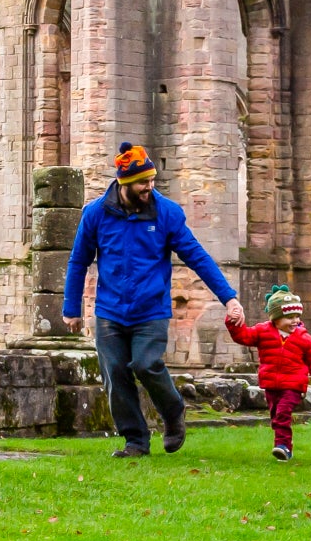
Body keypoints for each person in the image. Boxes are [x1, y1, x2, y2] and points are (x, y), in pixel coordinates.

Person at [62, 143, 238, 458]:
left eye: (152, 180)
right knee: (114, 372)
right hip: (110, 310)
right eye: (144, 182)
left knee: (146, 363)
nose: (150, 187)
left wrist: (229, 298)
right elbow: (78, 261)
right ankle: (135, 441)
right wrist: (71, 308)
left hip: (151, 309)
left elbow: (197, 257)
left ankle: (173, 412)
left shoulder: (167, 213)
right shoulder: (96, 214)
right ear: (124, 183)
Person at [224, 286, 311, 462]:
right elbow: (243, 336)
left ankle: (283, 447)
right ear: (276, 317)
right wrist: (233, 322)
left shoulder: (304, 339)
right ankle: (284, 445)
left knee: (283, 413)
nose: (295, 321)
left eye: (297, 316)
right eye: (290, 317)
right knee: (276, 415)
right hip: (271, 383)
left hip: (293, 384)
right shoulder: (263, 331)